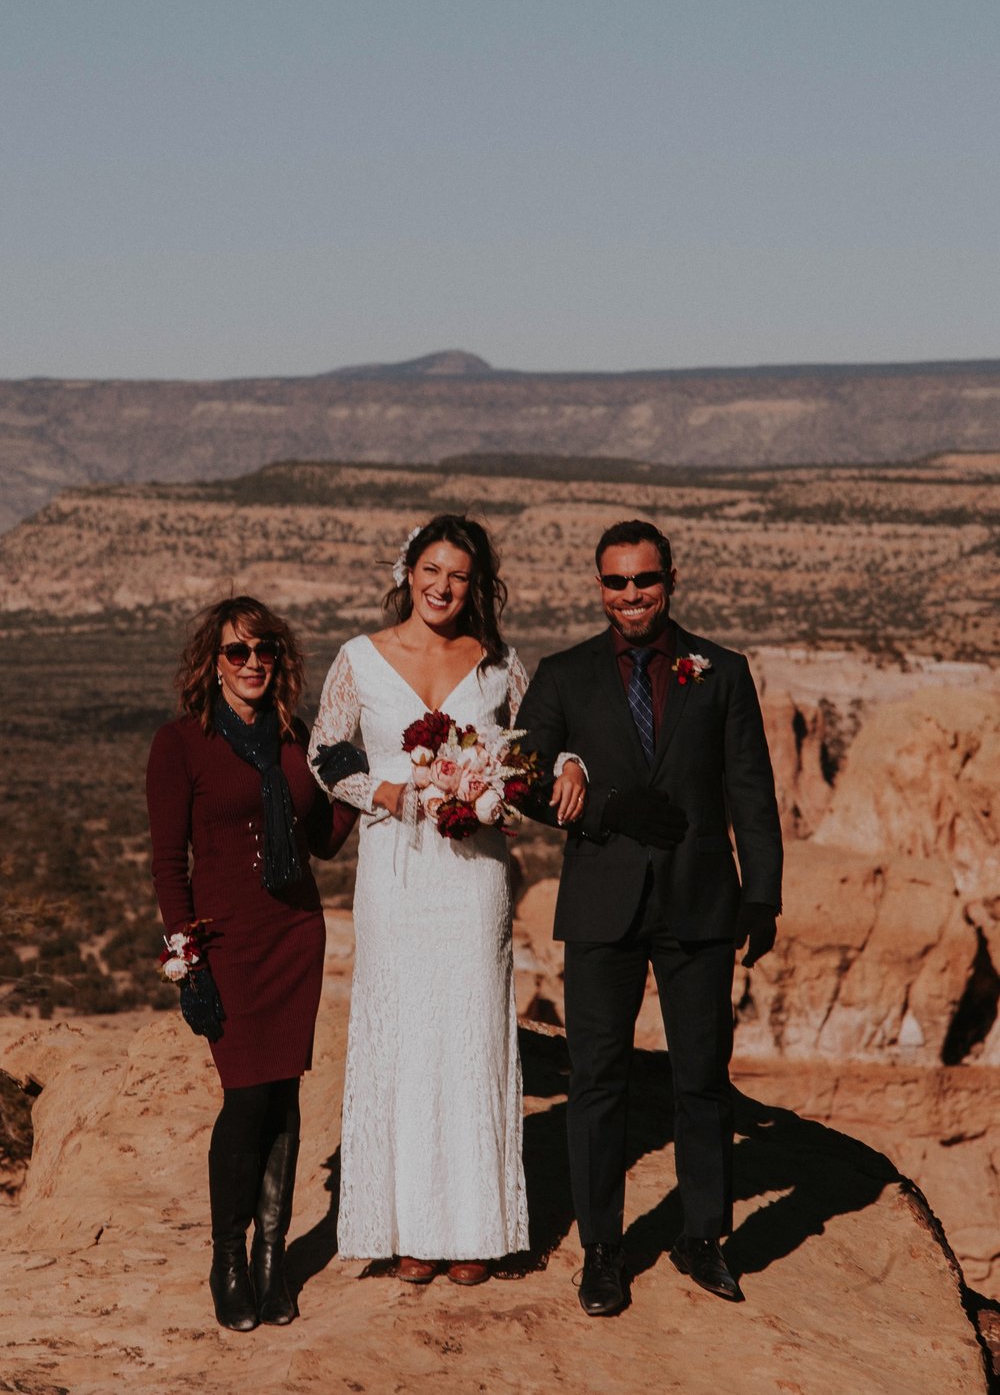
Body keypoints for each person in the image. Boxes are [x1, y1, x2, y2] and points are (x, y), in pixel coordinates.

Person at [308, 514, 585, 1286]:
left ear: (476, 586)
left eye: (458, 575)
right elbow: (325, 752)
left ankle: (475, 1228)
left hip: (473, 878)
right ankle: (408, 1228)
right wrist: (386, 789)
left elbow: (533, 745)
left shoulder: (497, 664)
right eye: (431, 569)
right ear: (408, 571)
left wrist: (559, 765)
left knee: (469, 1034)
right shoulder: (360, 658)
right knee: (403, 1028)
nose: (441, 586)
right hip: (396, 871)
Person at [515, 519, 783, 1314]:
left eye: (645, 580)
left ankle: (704, 1239)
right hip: (602, 904)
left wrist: (762, 894)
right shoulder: (565, 675)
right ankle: (603, 1252)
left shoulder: (722, 672)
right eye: (616, 582)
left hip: (700, 903)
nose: (631, 595)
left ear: (671, 579)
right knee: (598, 1079)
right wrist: (604, 806)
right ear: (599, 587)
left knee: (701, 1078)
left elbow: (752, 792)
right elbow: (521, 775)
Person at [146, 596, 357, 1332]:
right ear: (212, 662)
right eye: (237, 652)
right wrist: (187, 956)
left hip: (295, 934)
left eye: (265, 651)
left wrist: (355, 779)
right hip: (227, 940)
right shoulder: (181, 744)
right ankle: (227, 1260)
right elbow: (170, 863)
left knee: (285, 1098)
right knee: (245, 1100)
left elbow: (324, 840)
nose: (252, 664)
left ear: (282, 660)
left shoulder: (297, 740)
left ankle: (275, 1261)